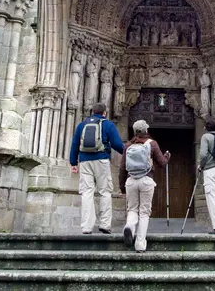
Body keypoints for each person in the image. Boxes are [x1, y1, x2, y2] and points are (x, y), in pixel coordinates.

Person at [70, 103, 124, 234]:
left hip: (84, 161)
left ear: (92, 112)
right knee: (105, 191)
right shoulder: (108, 124)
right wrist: (128, 152)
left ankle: (86, 227)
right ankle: (105, 224)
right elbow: (117, 144)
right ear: (104, 113)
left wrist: (73, 162)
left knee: (87, 192)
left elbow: (75, 144)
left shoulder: (82, 125)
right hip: (101, 160)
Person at [118, 119, 171, 252]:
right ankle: (140, 244)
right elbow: (162, 163)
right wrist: (167, 156)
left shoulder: (128, 145)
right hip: (146, 180)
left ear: (135, 131)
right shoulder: (152, 144)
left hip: (131, 181)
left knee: (132, 210)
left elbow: (122, 168)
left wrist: (122, 187)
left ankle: (129, 227)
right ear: (146, 130)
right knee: (144, 213)